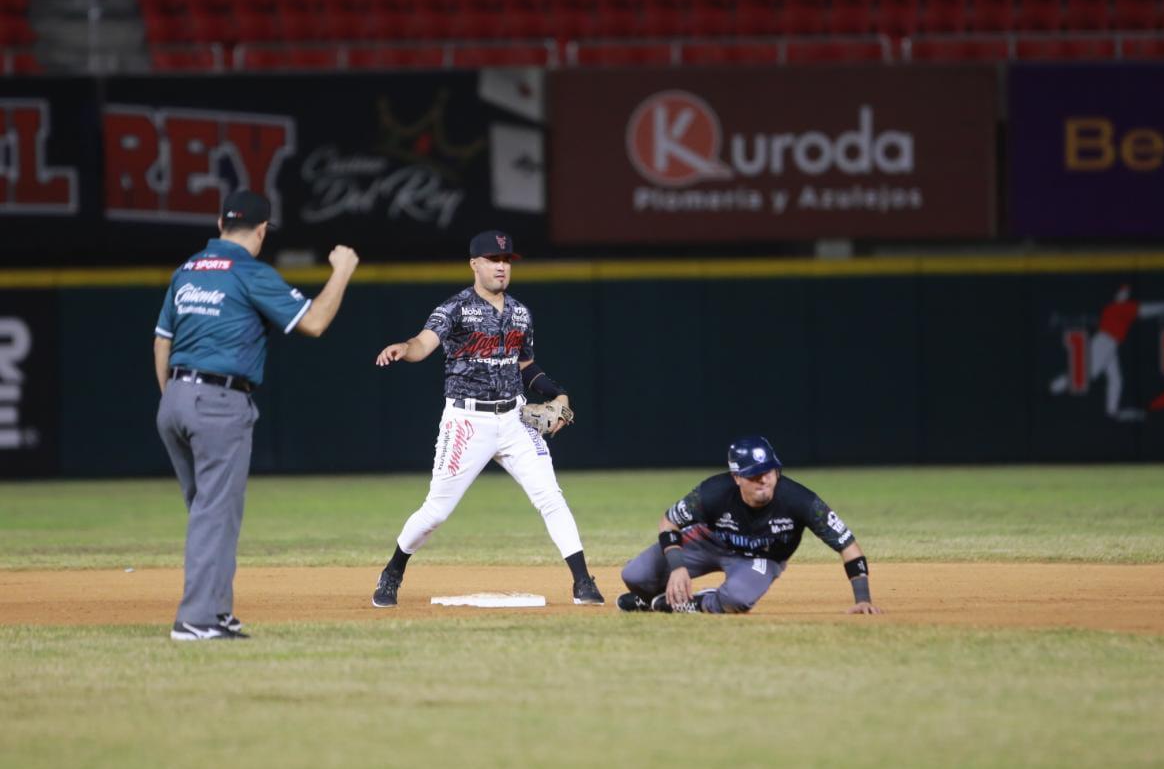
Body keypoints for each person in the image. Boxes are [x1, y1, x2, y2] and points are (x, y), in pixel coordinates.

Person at [154, 189, 359, 641]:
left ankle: (216, 611)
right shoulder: (249, 272)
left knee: (209, 512)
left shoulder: (187, 270)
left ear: (219, 223)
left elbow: (162, 341)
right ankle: (195, 619)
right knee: (215, 512)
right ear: (262, 230)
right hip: (218, 401)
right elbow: (316, 321)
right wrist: (342, 271)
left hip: (175, 401)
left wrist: (175, 397)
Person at [369, 230, 604, 607]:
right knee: (435, 512)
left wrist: (557, 392)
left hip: (514, 419)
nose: (501, 267)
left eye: (507, 261)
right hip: (466, 421)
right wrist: (404, 348)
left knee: (551, 497)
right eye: (494, 260)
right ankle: (393, 571)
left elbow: (525, 365)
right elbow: (424, 342)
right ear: (474, 264)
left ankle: (582, 581)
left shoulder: (521, 313)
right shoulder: (455, 309)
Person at [617, 435, 882, 616]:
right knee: (635, 575)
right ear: (736, 477)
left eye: (768, 472)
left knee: (737, 599)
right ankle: (648, 599)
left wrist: (863, 599)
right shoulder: (713, 492)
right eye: (754, 475)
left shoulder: (800, 500)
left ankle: (692, 603)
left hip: (762, 557)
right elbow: (669, 522)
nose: (763, 480)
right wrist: (678, 567)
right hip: (709, 541)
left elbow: (848, 545)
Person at [1049, 285, 1164, 421]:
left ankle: (1112, 411)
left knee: (1116, 379)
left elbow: (1147, 310)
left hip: (1109, 344)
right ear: (1116, 294)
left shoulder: (1118, 307)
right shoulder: (1119, 308)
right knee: (1087, 374)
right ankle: (1053, 388)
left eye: (1127, 292)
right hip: (1104, 343)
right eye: (1122, 292)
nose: (1125, 294)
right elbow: (1150, 310)